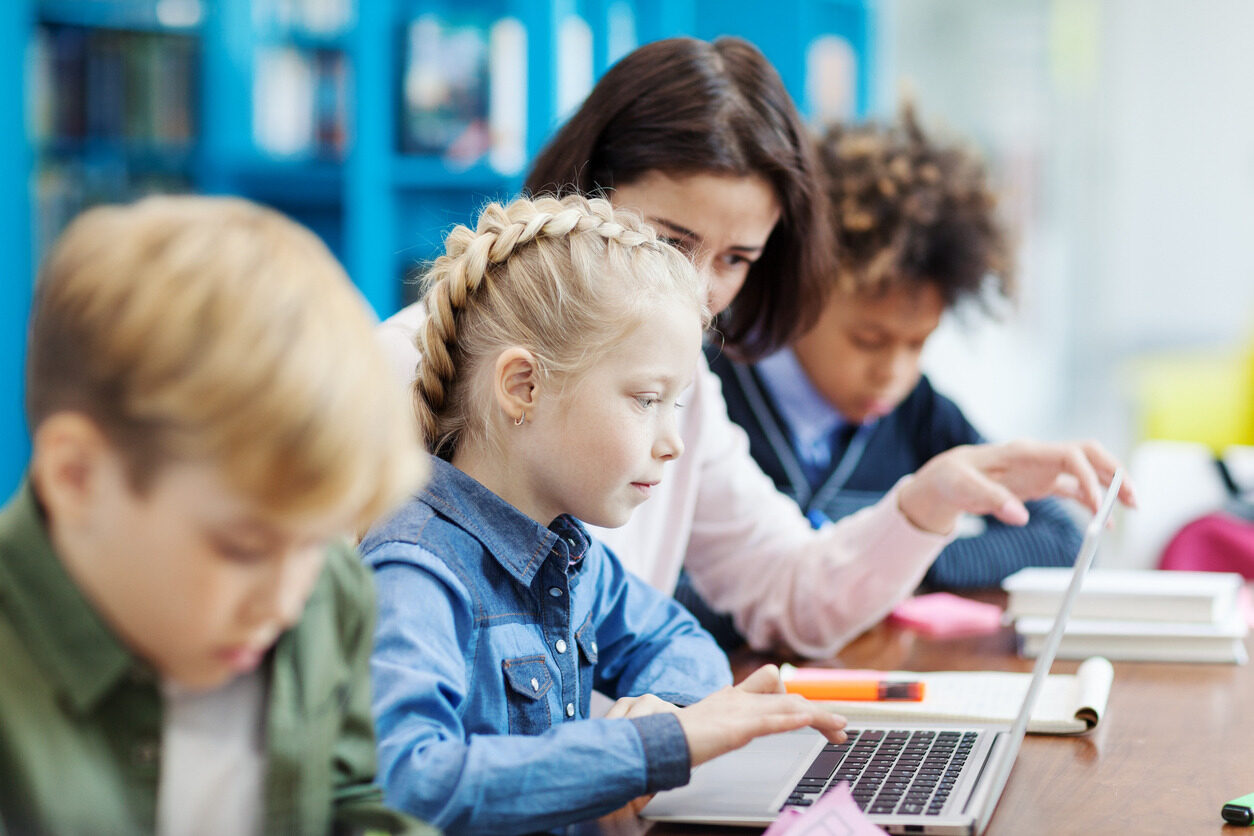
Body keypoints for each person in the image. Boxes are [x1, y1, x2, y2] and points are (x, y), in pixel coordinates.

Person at [377, 36, 1135, 660]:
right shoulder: (401, 370)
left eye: (737, 259)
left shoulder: (688, 397)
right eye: (670, 241)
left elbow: (786, 592)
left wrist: (925, 503)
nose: (701, 292)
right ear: (581, 196)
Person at [362, 195, 845, 835]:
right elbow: (408, 785)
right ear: (523, 387)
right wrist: (648, 750)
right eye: (647, 399)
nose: (672, 441)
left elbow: (675, 637)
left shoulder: (567, 549)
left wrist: (667, 713)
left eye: (677, 403)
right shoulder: (416, 572)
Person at [0, 196, 435, 835]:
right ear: (77, 476)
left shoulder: (329, 590)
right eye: (244, 548)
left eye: (316, 539)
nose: (286, 602)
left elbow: (347, 801)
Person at [709, 105, 1083, 593]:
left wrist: (895, 556)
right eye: (869, 340)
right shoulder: (708, 387)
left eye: (918, 344)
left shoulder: (916, 412)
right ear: (799, 287)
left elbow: (1059, 538)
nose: (894, 372)